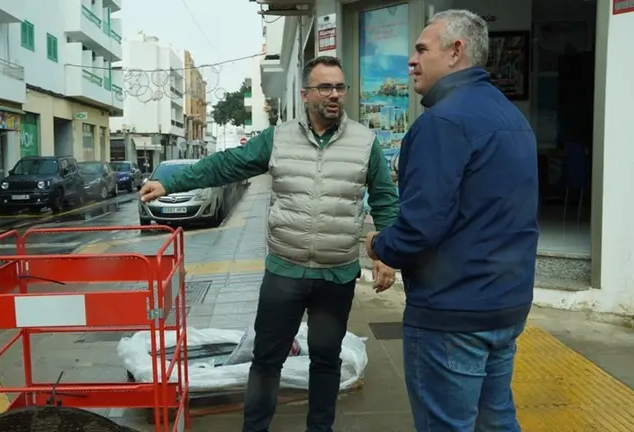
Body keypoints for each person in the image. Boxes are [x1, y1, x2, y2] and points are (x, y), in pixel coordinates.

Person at [140, 56, 398, 432]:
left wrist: (386, 255)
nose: (334, 95)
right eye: (324, 87)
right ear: (305, 94)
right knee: (266, 360)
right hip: (284, 274)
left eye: (339, 87)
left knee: (326, 361)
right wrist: (171, 182)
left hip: (336, 276)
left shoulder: (364, 142)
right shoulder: (278, 139)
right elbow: (228, 164)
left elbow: (385, 199)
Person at [365, 10, 539, 431]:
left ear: (456, 51)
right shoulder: (511, 117)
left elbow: (419, 227)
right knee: (496, 421)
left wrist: (378, 244)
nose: (411, 61)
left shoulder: (441, 122)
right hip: (505, 306)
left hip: (452, 313)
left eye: (422, 49)